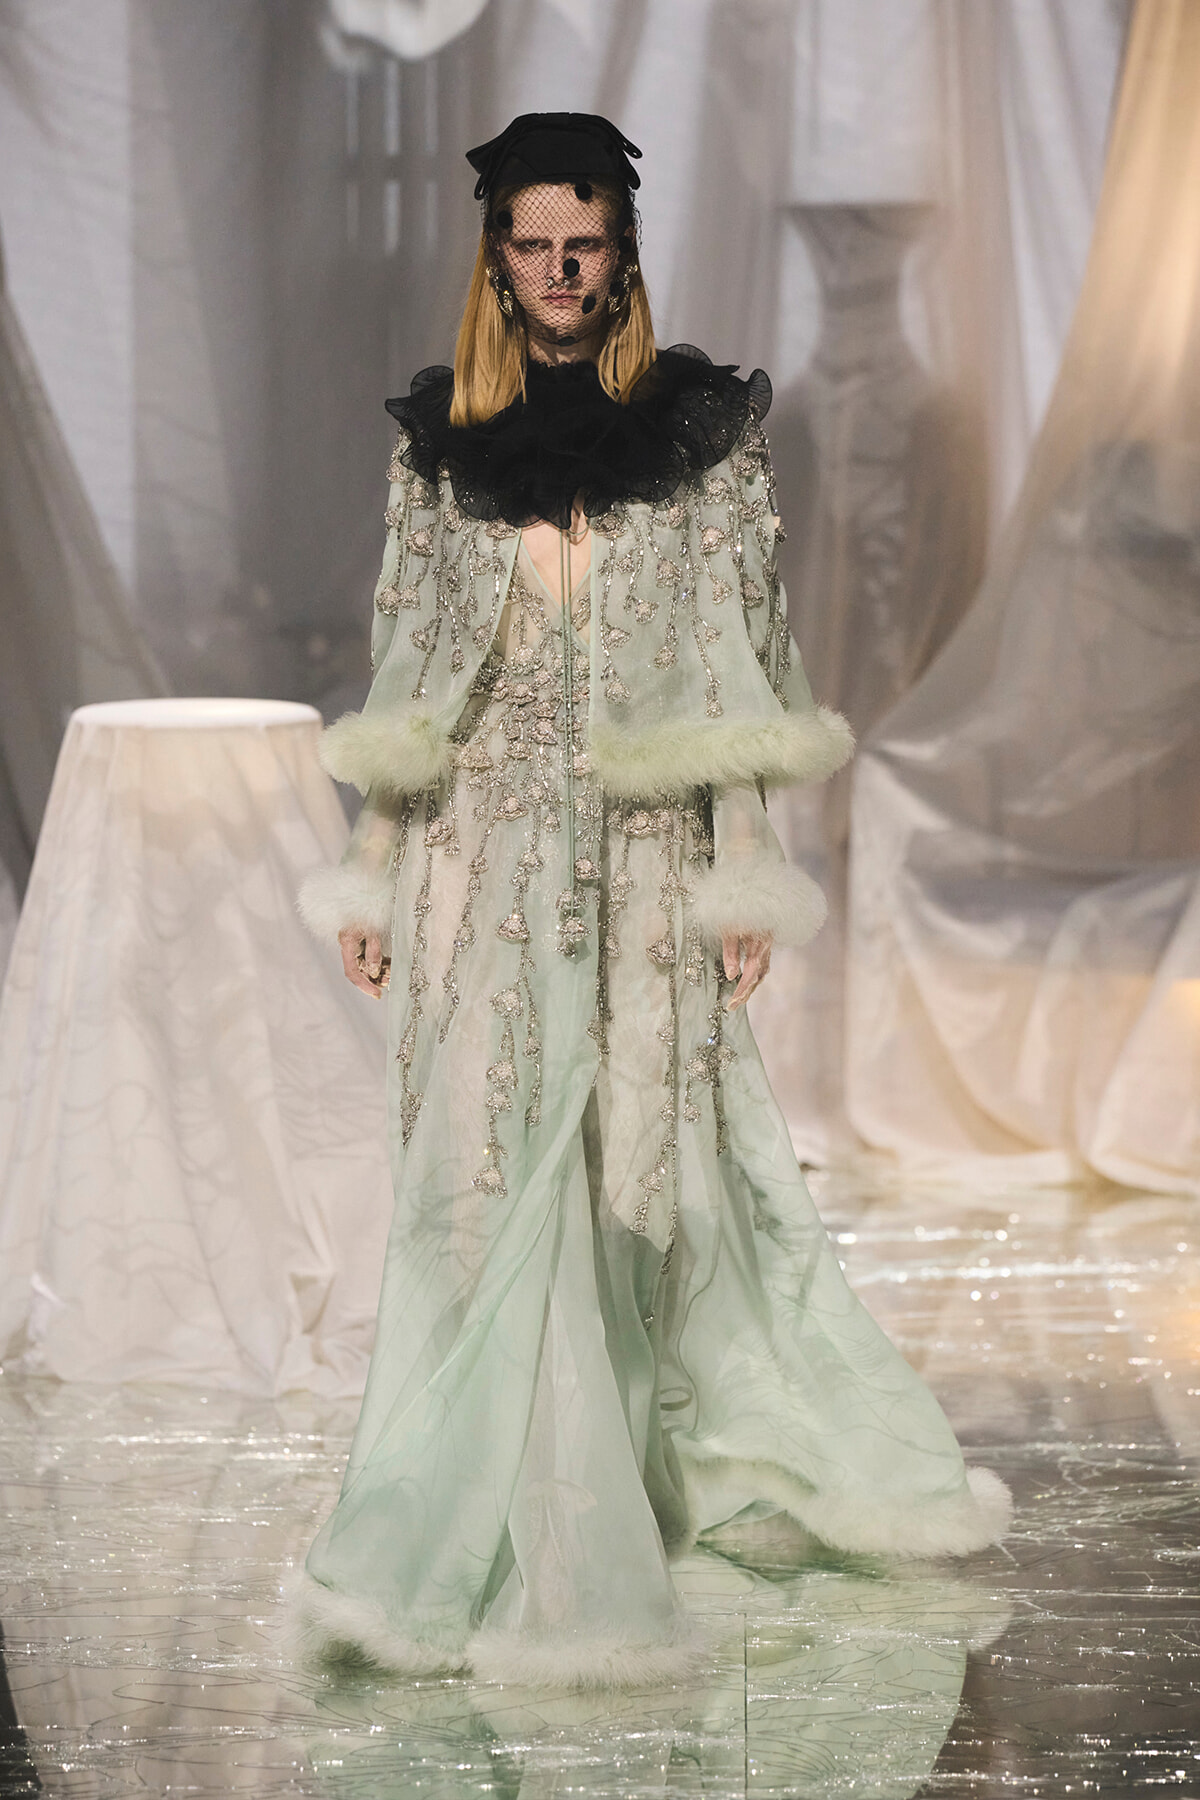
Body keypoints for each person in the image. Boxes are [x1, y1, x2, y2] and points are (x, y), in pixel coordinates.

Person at [296, 111, 1010, 1689]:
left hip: (634, 859)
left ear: (622, 254)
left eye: (588, 244)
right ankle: (516, 1527)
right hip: (474, 858)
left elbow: (738, 664)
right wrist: (367, 866)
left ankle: (614, 1479)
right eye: (536, 247)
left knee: (639, 1167)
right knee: (485, 1178)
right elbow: (408, 661)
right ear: (499, 260)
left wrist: (738, 865)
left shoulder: (697, 437)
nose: (562, 272)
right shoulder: (440, 446)